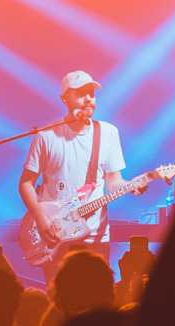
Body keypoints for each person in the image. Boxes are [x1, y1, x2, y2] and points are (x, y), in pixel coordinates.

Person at [18, 70, 141, 284]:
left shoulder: (108, 133)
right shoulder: (46, 135)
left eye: (92, 94)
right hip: (55, 235)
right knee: (58, 304)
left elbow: (113, 181)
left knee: (97, 303)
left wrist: (130, 185)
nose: (88, 99)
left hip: (95, 236)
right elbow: (26, 184)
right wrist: (40, 218)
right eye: (81, 93)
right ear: (65, 98)